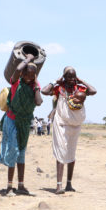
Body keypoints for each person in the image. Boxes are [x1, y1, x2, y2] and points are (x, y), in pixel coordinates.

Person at [41, 66, 97, 194]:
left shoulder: (80, 88)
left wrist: (81, 80)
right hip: (61, 124)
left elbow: (93, 91)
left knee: (71, 155)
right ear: (64, 77)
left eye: (74, 76)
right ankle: (58, 186)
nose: (72, 79)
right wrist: (56, 81)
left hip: (75, 125)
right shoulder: (59, 89)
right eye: (69, 77)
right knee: (61, 153)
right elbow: (44, 91)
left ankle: (69, 184)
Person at [0, 56, 42, 196]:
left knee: (21, 154)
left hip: (24, 123)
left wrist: (35, 88)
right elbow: (17, 69)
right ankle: (9, 187)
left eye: (32, 75)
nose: (28, 77)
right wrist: (28, 58)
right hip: (12, 120)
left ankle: (21, 186)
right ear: (22, 73)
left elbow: (39, 102)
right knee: (13, 151)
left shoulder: (35, 85)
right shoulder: (16, 81)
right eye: (26, 74)